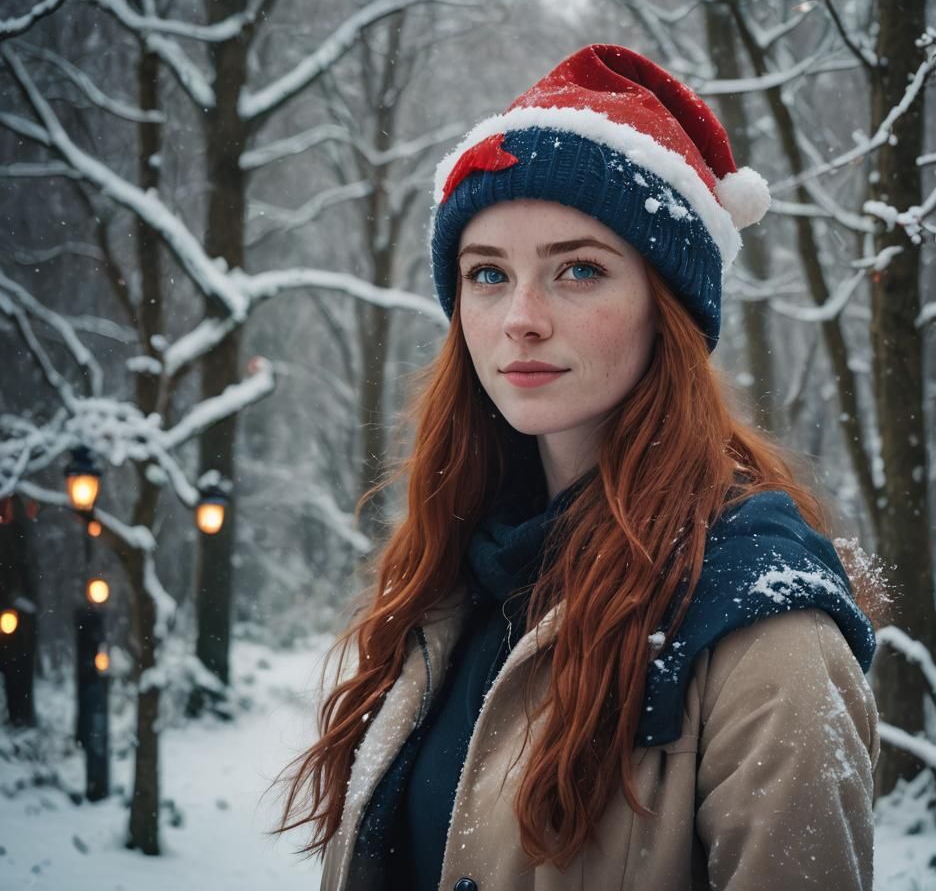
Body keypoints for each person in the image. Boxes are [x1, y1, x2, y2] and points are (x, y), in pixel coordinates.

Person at [278, 44, 879, 890]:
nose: (520, 318)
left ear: (666, 307)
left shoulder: (760, 630)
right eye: (487, 274)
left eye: (579, 270)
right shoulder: (450, 575)